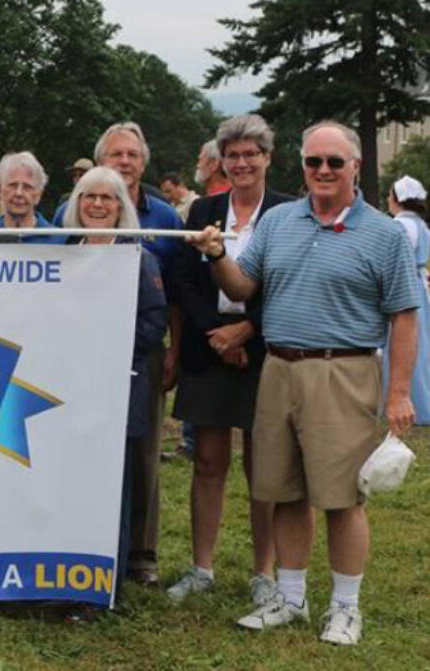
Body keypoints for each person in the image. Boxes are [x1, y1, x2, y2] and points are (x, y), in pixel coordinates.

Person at [189, 120, 420, 645]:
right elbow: (245, 284)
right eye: (313, 161)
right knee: (283, 489)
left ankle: (345, 607)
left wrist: (399, 392)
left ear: (356, 167)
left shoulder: (383, 233)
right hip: (279, 368)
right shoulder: (278, 222)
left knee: (341, 498)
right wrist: (219, 256)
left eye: (334, 162)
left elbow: (405, 316)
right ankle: (290, 598)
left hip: (344, 370)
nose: (322, 171)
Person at [167, 114, 294, 607]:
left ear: (267, 158)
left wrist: (248, 329)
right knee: (207, 459)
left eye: (250, 154)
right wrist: (216, 334)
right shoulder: (204, 207)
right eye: (233, 155)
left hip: (266, 350)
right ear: (222, 160)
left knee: (264, 464)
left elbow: (292, 281)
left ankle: (265, 572)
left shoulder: (288, 212)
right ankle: (202, 567)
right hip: (209, 345)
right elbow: (183, 278)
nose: (241, 163)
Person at [55, 122, 183, 586]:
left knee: (125, 466)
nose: (97, 204)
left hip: (122, 375)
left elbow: (154, 319)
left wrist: (109, 347)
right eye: (89, 197)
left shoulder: (140, 256)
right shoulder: (62, 256)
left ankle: (120, 561)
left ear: (121, 207)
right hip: (70, 376)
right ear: (75, 204)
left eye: (107, 199)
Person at [384, 175, 430, 424]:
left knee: (401, 344)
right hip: (418, 286)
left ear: (397, 199)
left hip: (404, 286)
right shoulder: (421, 225)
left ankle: (410, 400)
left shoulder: (401, 226)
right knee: (420, 344)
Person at [0, 151, 64, 244]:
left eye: (27, 187)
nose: (19, 193)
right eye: (13, 185)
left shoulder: (60, 240)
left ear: (38, 195)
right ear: (0, 191)